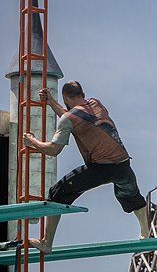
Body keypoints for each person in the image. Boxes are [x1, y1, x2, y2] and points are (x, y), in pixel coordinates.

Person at [22, 81, 149, 254]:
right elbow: (74, 118)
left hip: (101, 168)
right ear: (82, 94)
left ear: (66, 97)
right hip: (123, 163)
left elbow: (53, 150)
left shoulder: (69, 119)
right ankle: (145, 233)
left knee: (57, 193)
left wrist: (32, 142)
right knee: (132, 195)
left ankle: (46, 243)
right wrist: (51, 102)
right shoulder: (95, 103)